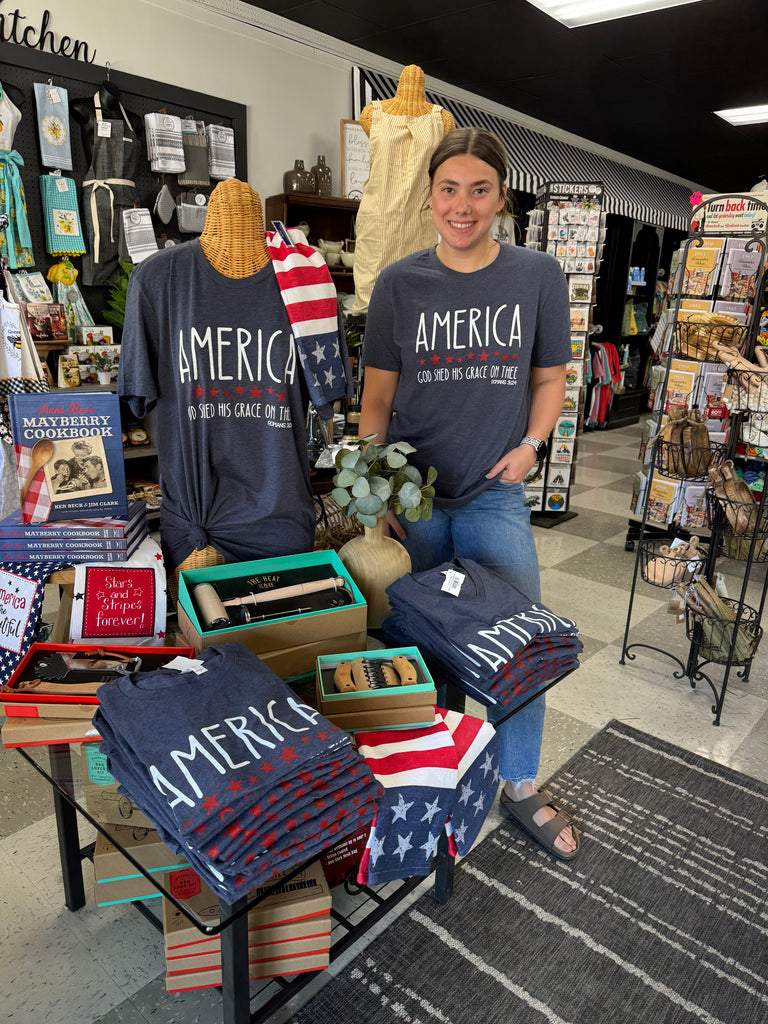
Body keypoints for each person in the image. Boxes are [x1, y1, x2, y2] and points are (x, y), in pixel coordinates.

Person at [358, 126, 578, 860]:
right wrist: (378, 492)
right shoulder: (399, 284)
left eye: (478, 189)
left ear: (500, 196)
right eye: (449, 189)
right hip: (416, 498)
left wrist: (531, 445)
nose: (463, 204)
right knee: (421, 640)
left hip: (493, 492)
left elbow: (550, 380)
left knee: (519, 645)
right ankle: (436, 764)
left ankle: (518, 784)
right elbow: (377, 399)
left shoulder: (537, 275)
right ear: (429, 197)